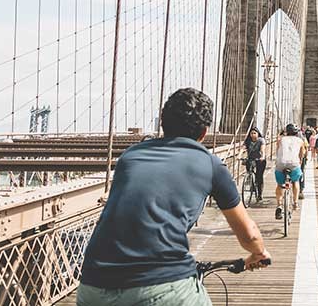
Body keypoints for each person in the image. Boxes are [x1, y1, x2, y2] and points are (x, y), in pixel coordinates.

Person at [77, 88, 270, 306]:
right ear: (204, 132)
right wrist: (259, 253)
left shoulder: (131, 156)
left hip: (92, 286)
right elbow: (249, 236)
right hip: (160, 286)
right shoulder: (210, 164)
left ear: (163, 123)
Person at [275, 123, 306, 219]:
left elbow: (277, 151)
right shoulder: (300, 140)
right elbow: (303, 153)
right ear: (296, 132)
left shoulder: (280, 139)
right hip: (294, 164)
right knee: (295, 181)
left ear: (286, 131)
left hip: (281, 164)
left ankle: (279, 205)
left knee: (280, 185)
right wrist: (300, 161)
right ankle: (295, 203)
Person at [245, 126, 267, 201]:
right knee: (249, 170)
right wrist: (239, 155)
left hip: (260, 159)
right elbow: (242, 148)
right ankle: (250, 181)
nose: (253, 135)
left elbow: (262, 150)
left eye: (254, 133)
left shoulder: (261, 140)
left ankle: (260, 194)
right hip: (251, 158)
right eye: (251, 133)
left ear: (258, 134)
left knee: (259, 176)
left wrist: (262, 156)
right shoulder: (248, 141)